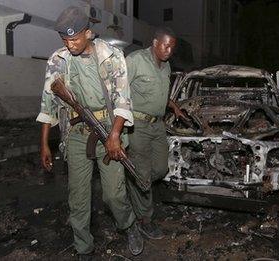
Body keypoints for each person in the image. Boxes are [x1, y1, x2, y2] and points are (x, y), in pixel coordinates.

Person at [36, 6, 143, 259]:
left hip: (108, 128)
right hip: (75, 133)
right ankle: (83, 246)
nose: (70, 44)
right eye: (65, 39)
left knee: (114, 195)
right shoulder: (57, 60)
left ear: (88, 33)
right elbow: (47, 103)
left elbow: (122, 101)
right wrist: (44, 144)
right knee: (78, 196)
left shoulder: (111, 56)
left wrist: (115, 136)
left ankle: (129, 226)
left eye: (74, 39)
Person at [125, 27, 186, 240]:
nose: (169, 51)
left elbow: (160, 93)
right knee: (142, 174)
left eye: (172, 47)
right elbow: (118, 89)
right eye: (165, 45)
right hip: (137, 125)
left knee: (161, 169)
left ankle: (134, 182)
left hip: (158, 126)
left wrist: (173, 105)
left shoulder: (166, 66)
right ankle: (145, 220)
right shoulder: (135, 60)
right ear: (154, 42)